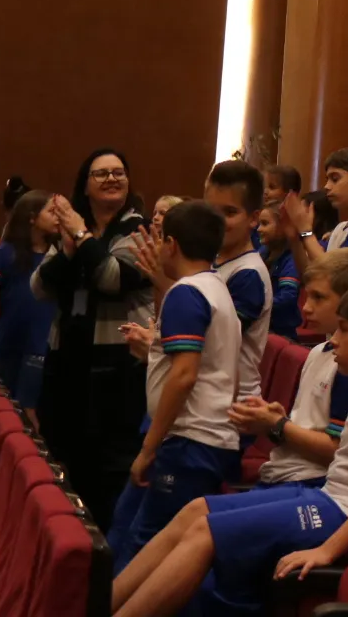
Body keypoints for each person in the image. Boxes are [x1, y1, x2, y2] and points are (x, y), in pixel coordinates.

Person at [108, 282, 348, 617]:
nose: (334, 339)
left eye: (345, 330)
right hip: (329, 498)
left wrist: (327, 550)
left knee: (206, 532)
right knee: (196, 510)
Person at [107, 201, 242, 569]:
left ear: (172, 244)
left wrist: (148, 449)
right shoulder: (213, 288)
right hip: (196, 439)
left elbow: (184, 375)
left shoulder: (188, 293)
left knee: (146, 548)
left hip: (189, 441)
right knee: (128, 530)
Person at [34, 147, 153, 530]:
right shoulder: (74, 230)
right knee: (65, 459)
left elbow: (112, 277)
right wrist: (68, 251)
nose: (111, 178)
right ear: (85, 186)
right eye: (101, 173)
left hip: (116, 368)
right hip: (67, 363)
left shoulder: (138, 229)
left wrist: (81, 237)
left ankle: (108, 547)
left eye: (119, 172)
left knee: (108, 469)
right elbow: (39, 287)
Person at [230, 248, 348, 489]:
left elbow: (338, 451)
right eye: (307, 296)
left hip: (313, 482)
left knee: (199, 512)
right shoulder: (319, 353)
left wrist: (278, 424)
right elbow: (304, 430)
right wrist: (270, 421)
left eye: (318, 298)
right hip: (284, 473)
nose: (306, 308)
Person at [194, 160, 272, 404]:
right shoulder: (211, 260)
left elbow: (213, 343)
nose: (216, 222)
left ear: (254, 218)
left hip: (233, 404)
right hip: (207, 395)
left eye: (229, 213)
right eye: (211, 212)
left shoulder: (248, 274)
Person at [0, 190, 55, 415]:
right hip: (9, 343)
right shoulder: (6, 251)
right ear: (32, 217)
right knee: (10, 411)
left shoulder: (58, 254)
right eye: (52, 212)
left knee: (31, 411)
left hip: (42, 344)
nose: (59, 218)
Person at [257, 206, 301, 343]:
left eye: (265, 224)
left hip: (281, 335)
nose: (259, 229)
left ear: (283, 227)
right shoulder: (263, 252)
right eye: (259, 224)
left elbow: (287, 296)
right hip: (260, 329)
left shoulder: (291, 258)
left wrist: (255, 305)